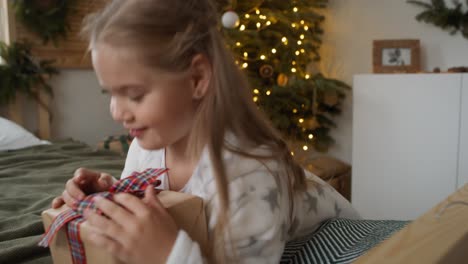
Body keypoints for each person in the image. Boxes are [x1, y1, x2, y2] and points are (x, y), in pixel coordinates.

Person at [51, 0, 360, 263]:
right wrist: (110, 194)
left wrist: (167, 253)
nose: (117, 112)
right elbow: (170, 209)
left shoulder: (248, 173)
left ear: (197, 77)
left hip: (342, 244)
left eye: (134, 94)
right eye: (110, 94)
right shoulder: (145, 146)